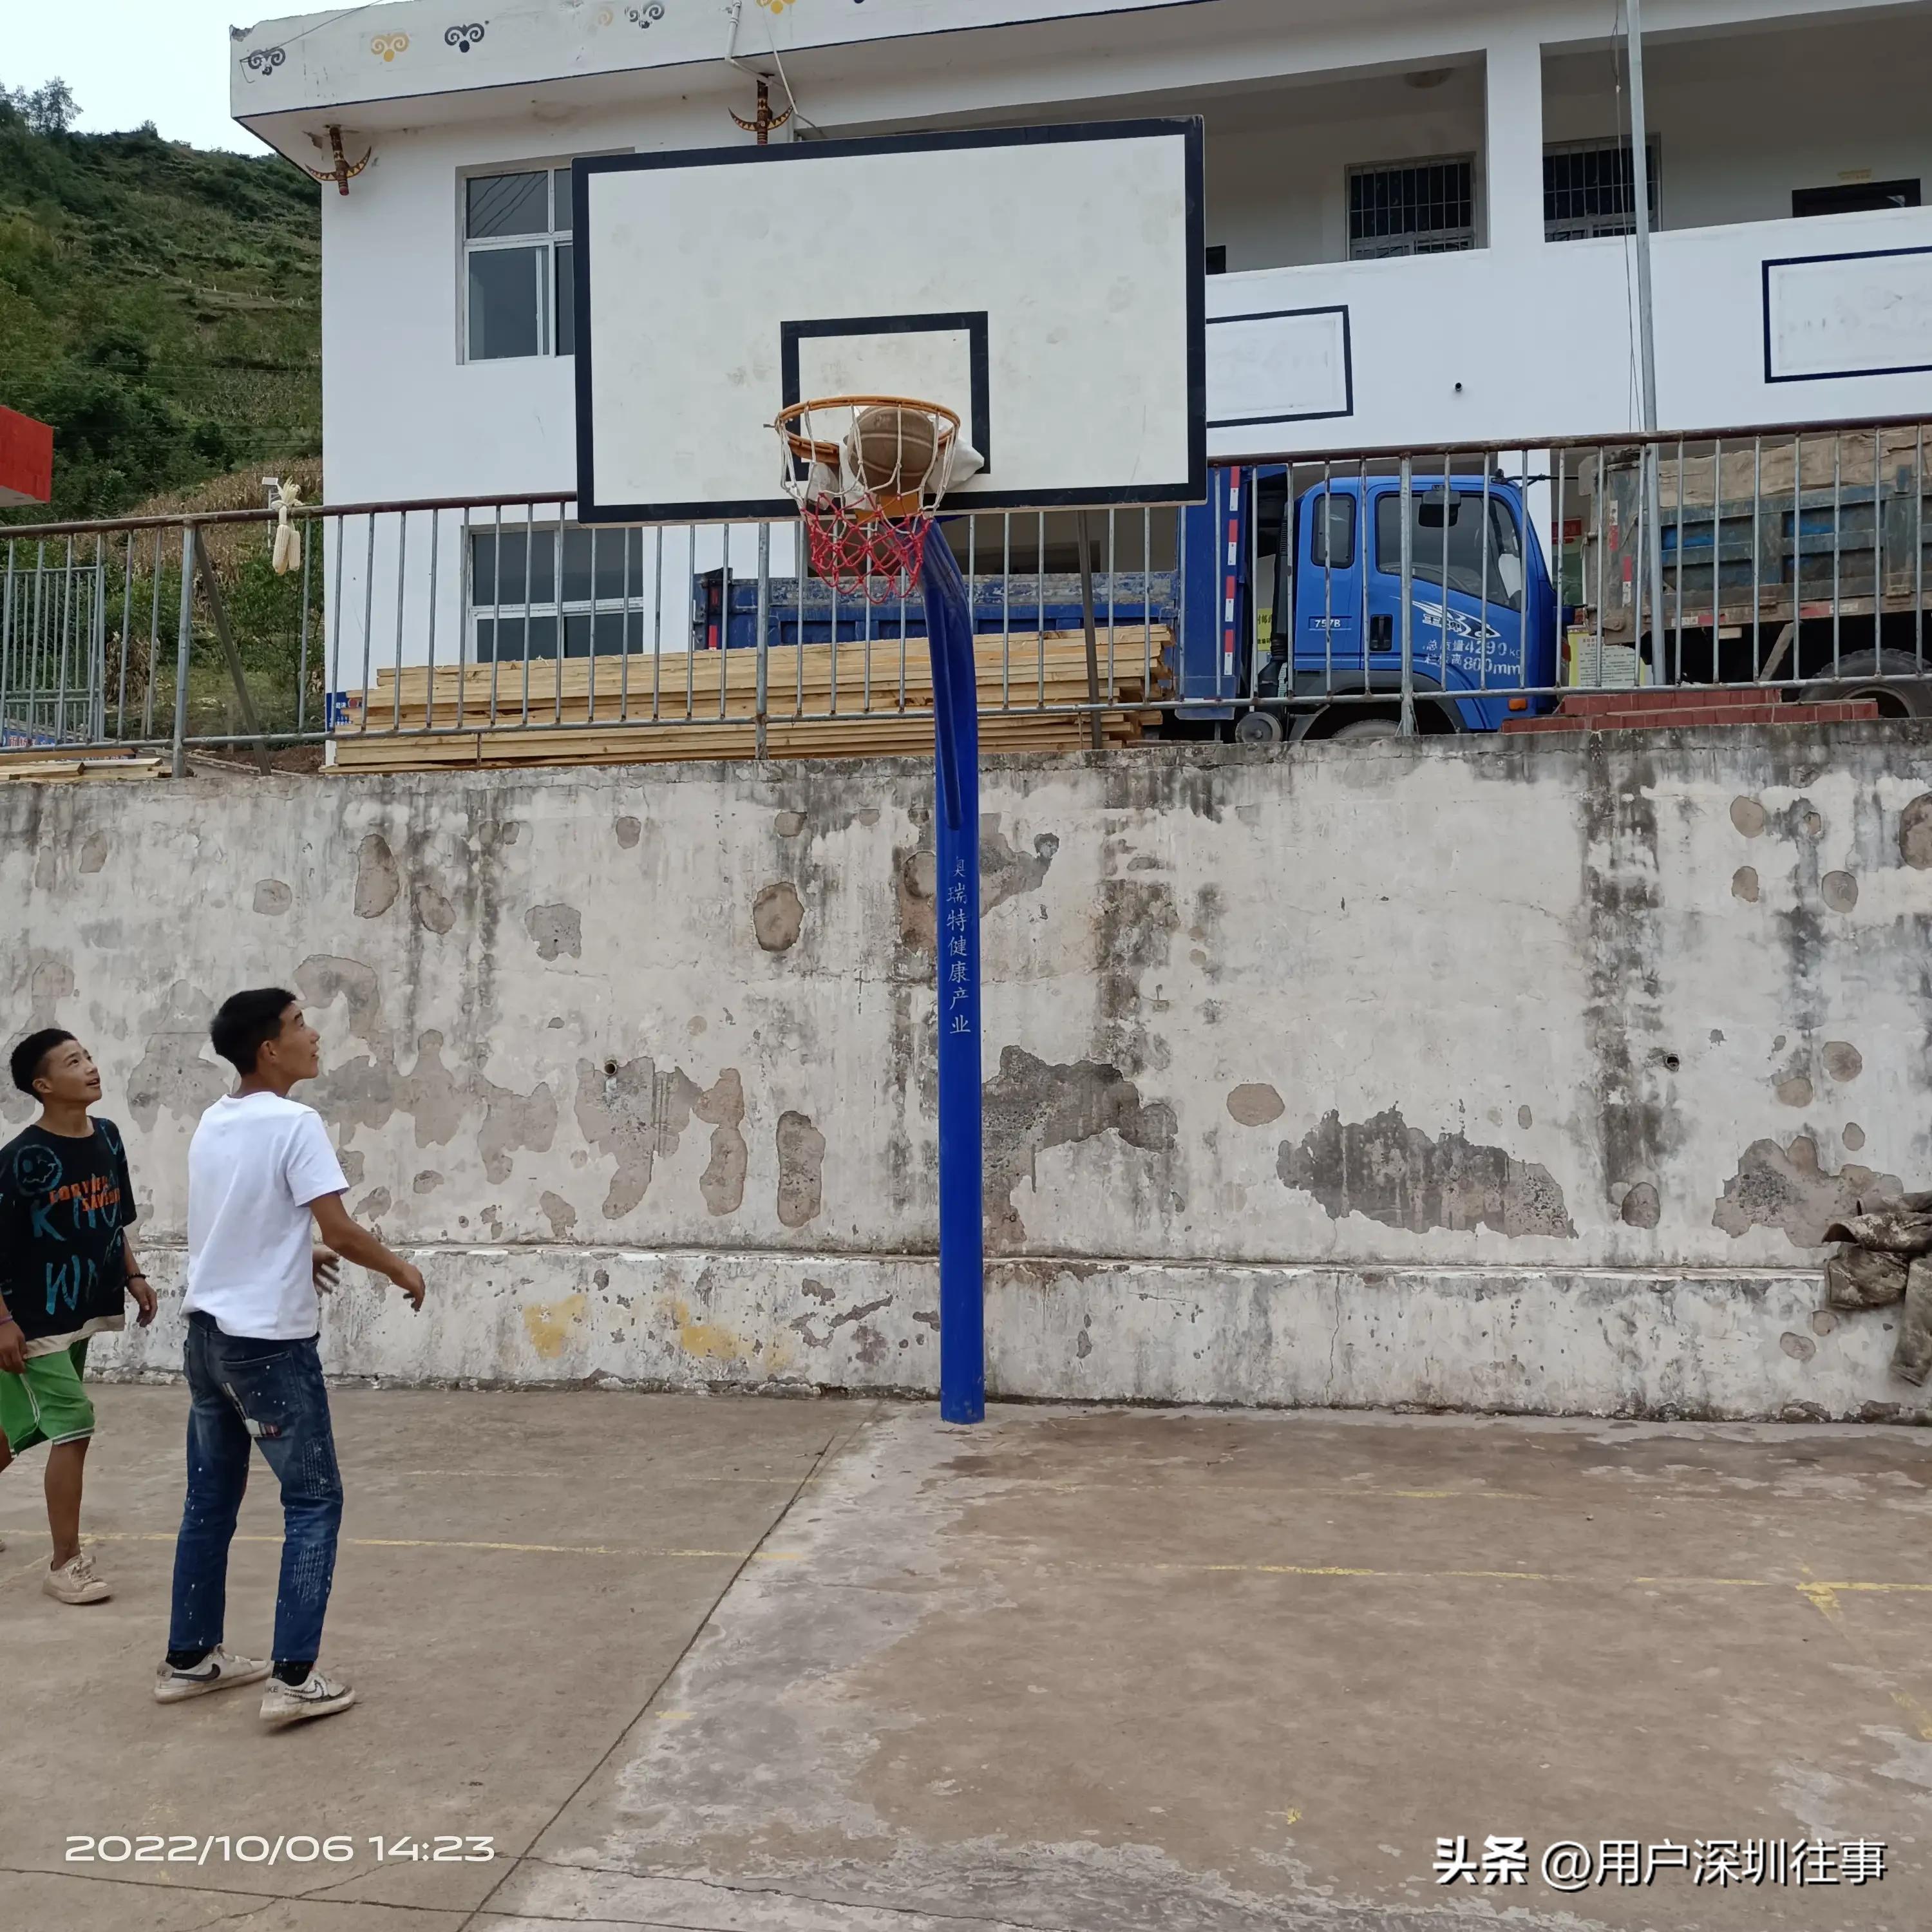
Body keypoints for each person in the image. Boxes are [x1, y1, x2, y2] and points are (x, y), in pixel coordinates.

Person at [156, 988, 425, 1728]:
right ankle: (294, 1679)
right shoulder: (297, 1122)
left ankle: (190, 1660)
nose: (314, 1035)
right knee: (312, 1503)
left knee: (209, 1501)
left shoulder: (216, 1120)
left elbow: (238, 1219)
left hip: (208, 1340)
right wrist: (401, 1268)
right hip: (268, 1349)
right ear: (270, 1050)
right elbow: (339, 1229)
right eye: (300, 1025)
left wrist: (289, 1252)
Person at [0, 1030, 157, 1601]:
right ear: (43, 1086)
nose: (91, 1067)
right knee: (73, 1423)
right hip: (30, 1318)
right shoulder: (18, 1161)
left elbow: (112, 1218)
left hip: (84, 1308)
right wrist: (2, 1322)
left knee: (20, 1426)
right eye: (74, 1062)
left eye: (88, 1056)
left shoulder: (109, 1138)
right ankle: (66, 1564)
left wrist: (133, 1274)